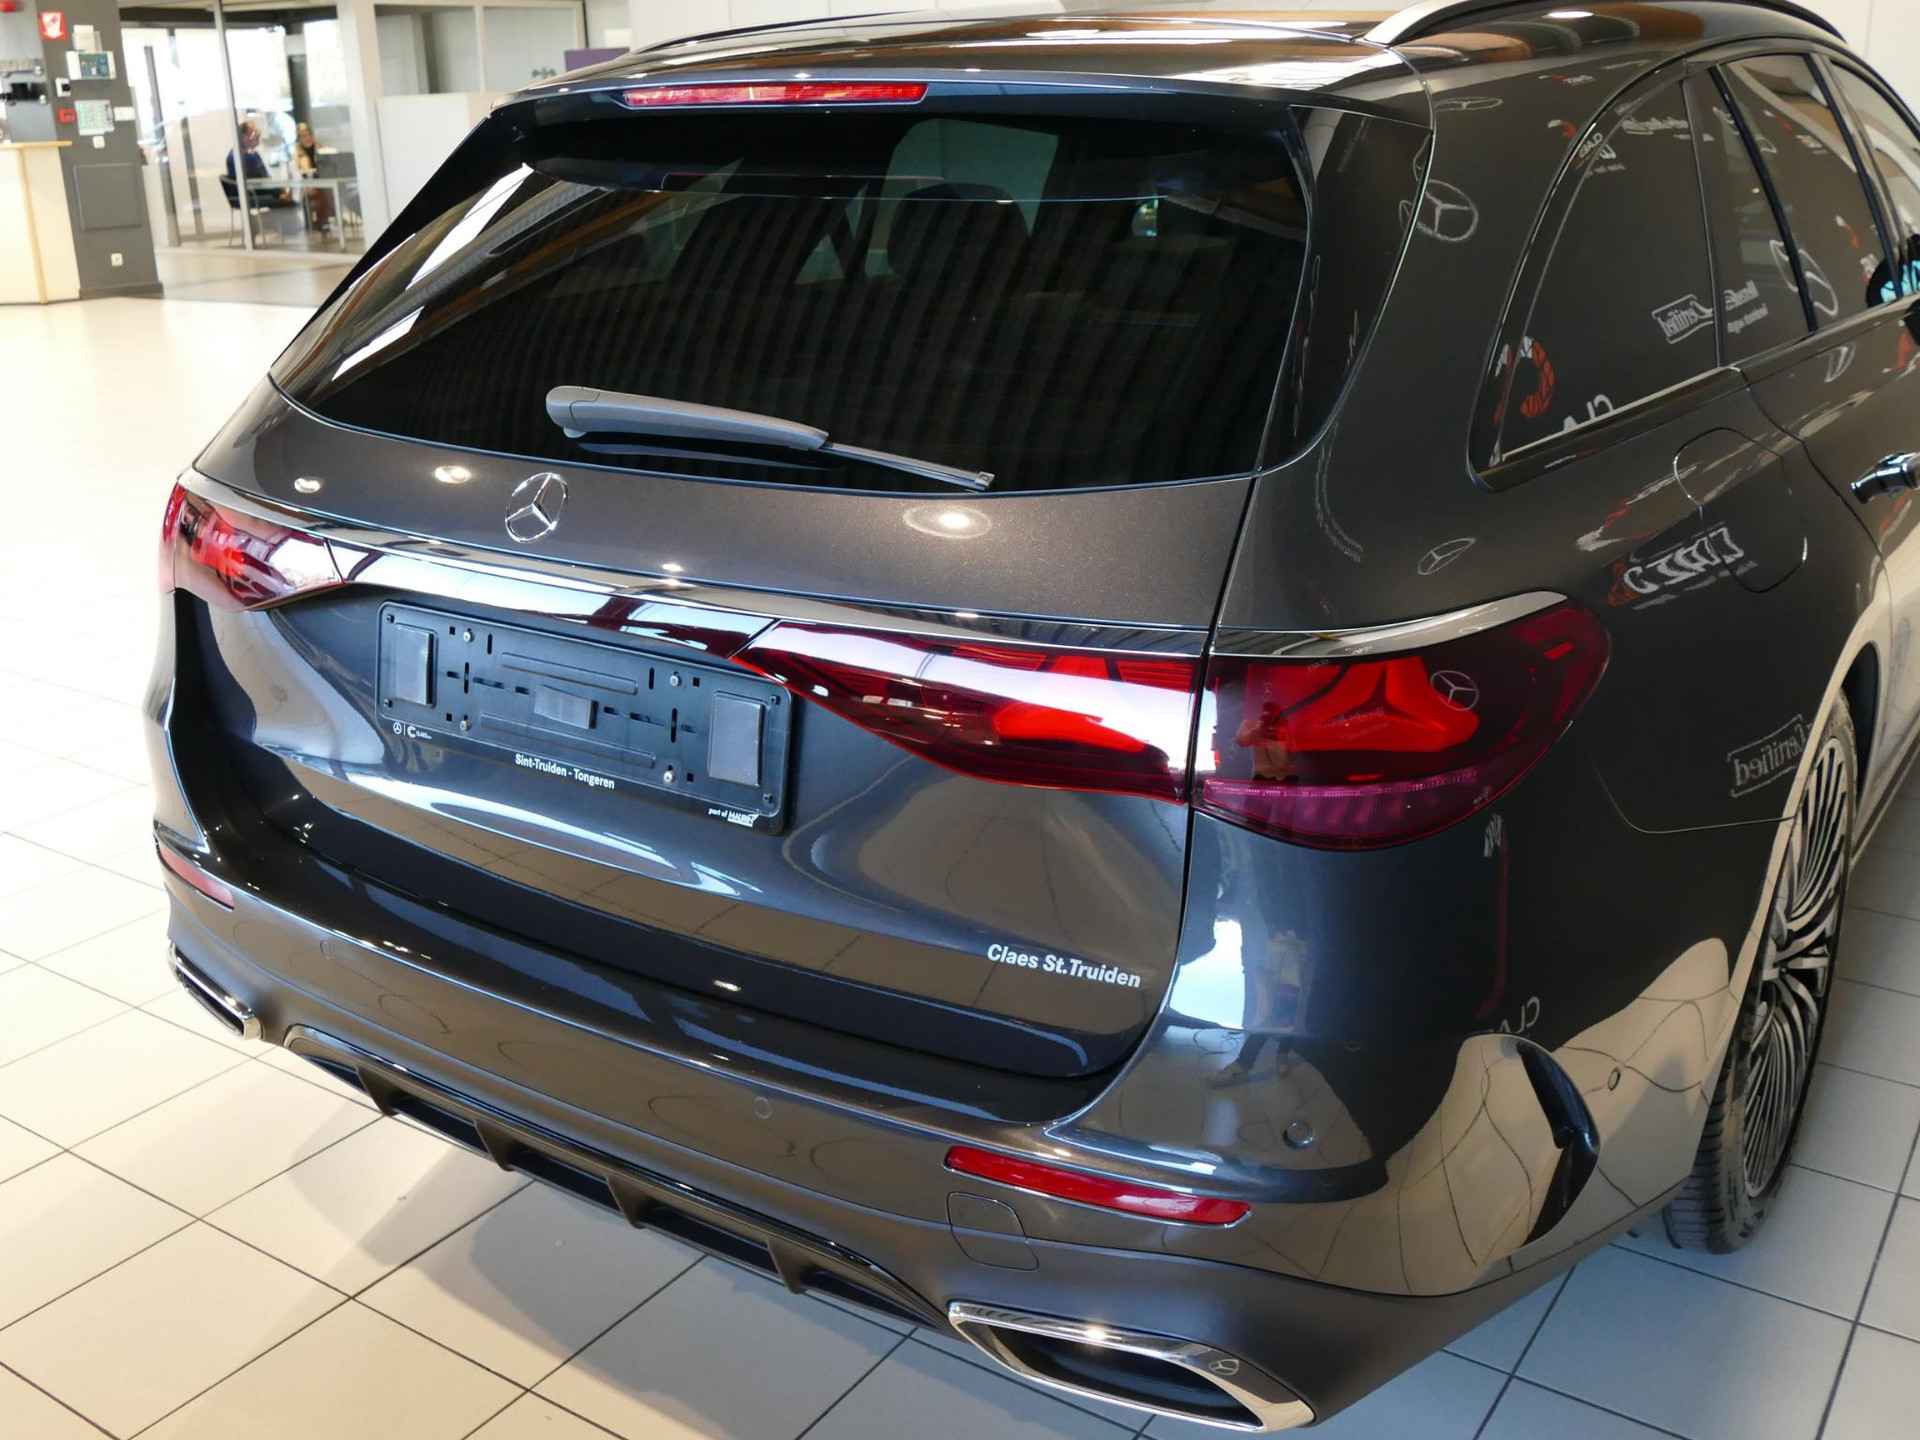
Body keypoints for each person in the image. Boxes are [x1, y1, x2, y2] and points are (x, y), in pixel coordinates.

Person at [294, 122, 335, 233]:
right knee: (320, 192)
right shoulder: (297, 153)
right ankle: (322, 221)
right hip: (307, 185)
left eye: (308, 135)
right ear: (299, 138)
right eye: (303, 136)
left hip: (322, 182)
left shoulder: (319, 148)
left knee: (327, 191)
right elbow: (299, 173)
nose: (307, 138)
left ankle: (323, 220)